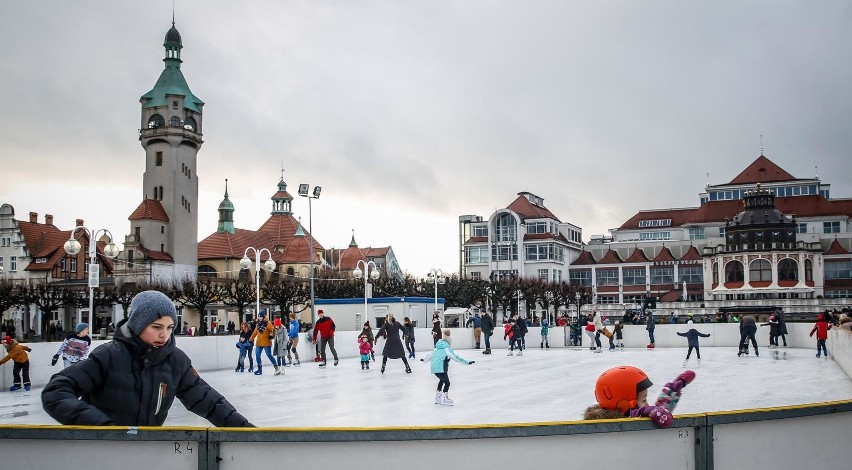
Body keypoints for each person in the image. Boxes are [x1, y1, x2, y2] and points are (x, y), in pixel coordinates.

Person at [42, 290, 253, 427]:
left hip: (148, 452)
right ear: (137, 325)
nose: (164, 335)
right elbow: (56, 392)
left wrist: (250, 434)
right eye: (156, 327)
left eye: (170, 328)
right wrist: (101, 427)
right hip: (102, 453)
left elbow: (210, 402)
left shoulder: (175, 361)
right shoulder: (109, 356)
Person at [584, 366, 695, 428]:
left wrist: (672, 391)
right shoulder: (614, 430)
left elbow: (658, 413)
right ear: (623, 405)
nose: (647, 405)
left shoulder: (631, 420)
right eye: (643, 400)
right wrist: (645, 411)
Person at [420, 329, 474, 406]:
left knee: (442, 381)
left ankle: (437, 398)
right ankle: (444, 398)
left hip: (434, 369)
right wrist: (467, 362)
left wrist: (424, 360)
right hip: (441, 368)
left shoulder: (436, 348)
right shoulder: (447, 349)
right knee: (447, 383)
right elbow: (456, 358)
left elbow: (429, 356)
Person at [249, 311, 278, 375]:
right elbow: (254, 333)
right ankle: (259, 369)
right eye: (258, 317)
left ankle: (276, 367)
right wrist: (250, 339)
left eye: (260, 316)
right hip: (259, 343)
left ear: (263, 317)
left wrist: (272, 334)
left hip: (266, 342)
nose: (259, 318)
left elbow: (272, 330)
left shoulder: (268, 323)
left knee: (269, 355)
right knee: (257, 355)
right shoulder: (258, 324)